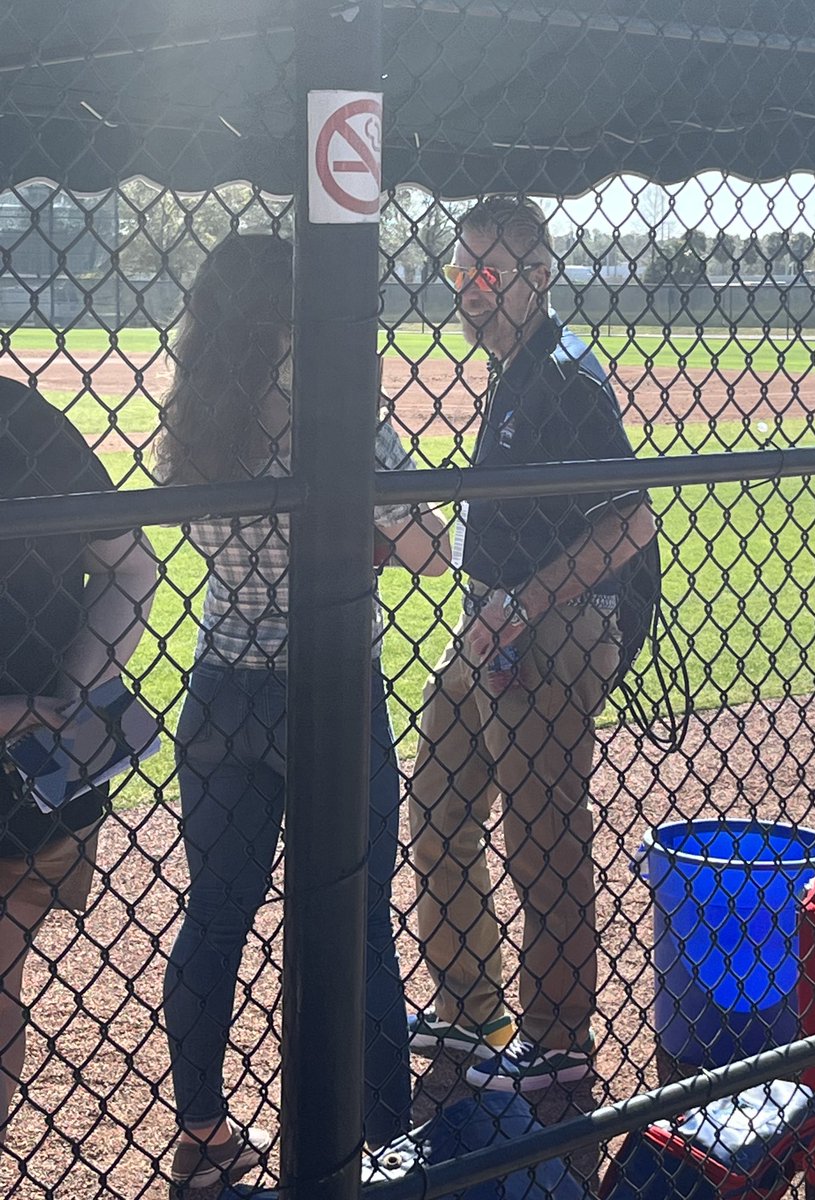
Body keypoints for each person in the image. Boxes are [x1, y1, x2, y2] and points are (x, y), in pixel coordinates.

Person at [156, 234, 449, 1189]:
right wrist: (361, 532)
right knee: (359, 920)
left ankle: (201, 1134)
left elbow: (203, 532)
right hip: (329, 686)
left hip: (221, 682)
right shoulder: (332, 403)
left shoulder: (198, 414)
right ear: (293, 313)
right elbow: (425, 549)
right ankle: (383, 1142)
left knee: (215, 915)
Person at [407, 196, 658, 1091]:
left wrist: (523, 602)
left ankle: (556, 1042)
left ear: (539, 275)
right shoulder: (515, 369)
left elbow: (631, 522)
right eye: (459, 272)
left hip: (552, 624)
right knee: (435, 813)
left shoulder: (564, 376)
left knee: (540, 834)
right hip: (494, 619)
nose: (470, 291)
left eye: (488, 273)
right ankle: (474, 1009)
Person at [0, 376, 156, 1136]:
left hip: (29, 788)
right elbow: (134, 568)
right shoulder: (28, 419)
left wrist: (55, 705)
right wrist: (65, 703)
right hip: (39, 783)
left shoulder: (27, 421)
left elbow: (134, 566)